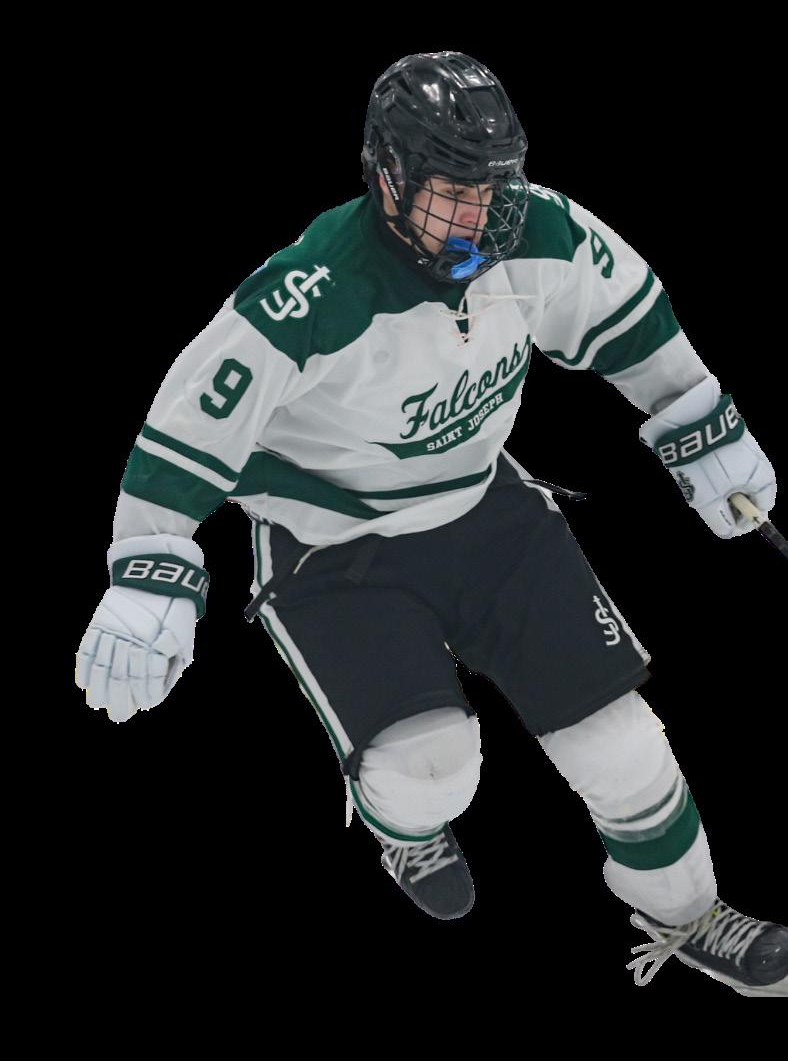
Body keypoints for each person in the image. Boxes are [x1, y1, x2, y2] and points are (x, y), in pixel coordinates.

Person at [75, 51, 785, 994]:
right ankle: (405, 831)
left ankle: (688, 913)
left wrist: (699, 423)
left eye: (492, 188)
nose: (480, 217)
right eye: (452, 191)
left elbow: (629, 318)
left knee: (623, 745)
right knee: (430, 770)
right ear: (388, 177)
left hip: (487, 513)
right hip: (335, 549)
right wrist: (149, 567)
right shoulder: (312, 289)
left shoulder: (538, 228)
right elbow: (186, 432)